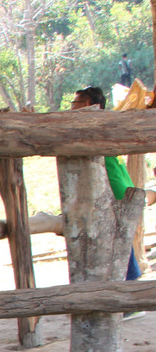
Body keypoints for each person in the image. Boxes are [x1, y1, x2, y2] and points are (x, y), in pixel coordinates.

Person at [71, 86, 145, 315]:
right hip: (121, 186)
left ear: (87, 104)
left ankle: (130, 294)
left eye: (75, 103)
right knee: (118, 240)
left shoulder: (91, 125)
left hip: (114, 190)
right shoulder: (104, 122)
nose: (72, 107)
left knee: (117, 242)